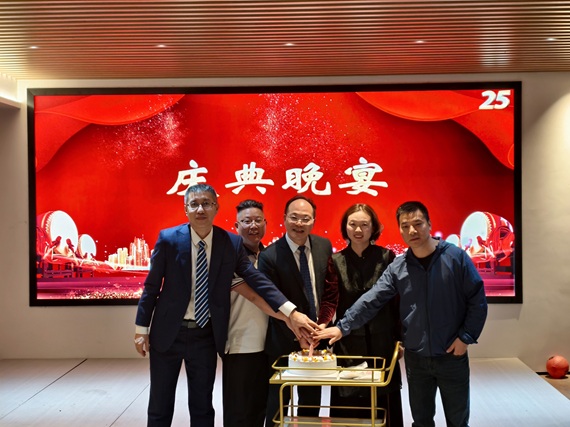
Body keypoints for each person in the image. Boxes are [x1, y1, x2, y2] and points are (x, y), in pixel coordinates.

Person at [133, 184, 317, 427]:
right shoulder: (169, 239)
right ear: (186, 209)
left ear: (216, 207)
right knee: (160, 405)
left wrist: (290, 311)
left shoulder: (230, 243)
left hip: (205, 335)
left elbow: (256, 280)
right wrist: (141, 329)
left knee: (202, 406)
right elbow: (152, 287)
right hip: (167, 333)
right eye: (194, 204)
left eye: (206, 203)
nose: (200, 209)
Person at [315, 201, 488, 427]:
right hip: (417, 359)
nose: (412, 231)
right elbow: (371, 300)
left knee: (457, 421)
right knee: (421, 421)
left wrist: (465, 337)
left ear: (429, 224)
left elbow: (477, 300)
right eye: (405, 226)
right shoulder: (400, 266)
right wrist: (341, 326)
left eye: (418, 224)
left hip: (451, 355)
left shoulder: (455, 257)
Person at [258, 194, 338, 426]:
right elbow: (271, 300)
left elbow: (329, 290)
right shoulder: (269, 256)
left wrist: (321, 326)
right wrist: (297, 329)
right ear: (284, 219)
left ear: (313, 221)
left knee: (311, 403)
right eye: (294, 217)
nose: (299, 224)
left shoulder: (324, 246)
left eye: (305, 218)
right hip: (283, 337)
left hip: (316, 337)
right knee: (278, 402)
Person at [326, 203, 404, 426]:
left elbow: (397, 302)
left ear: (373, 228)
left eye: (364, 225)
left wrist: (400, 339)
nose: (358, 230)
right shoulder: (336, 260)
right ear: (345, 227)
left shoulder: (387, 257)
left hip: (382, 340)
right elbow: (330, 300)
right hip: (348, 341)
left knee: (383, 399)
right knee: (349, 399)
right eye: (353, 224)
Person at [223, 199, 271, 427]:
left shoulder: (270, 256)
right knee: (238, 412)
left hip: (268, 345)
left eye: (258, 220)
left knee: (260, 408)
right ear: (236, 226)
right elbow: (253, 296)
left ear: (266, 223)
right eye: (247, 221)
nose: (253, 226)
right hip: (238, 343)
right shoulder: (228, 258)